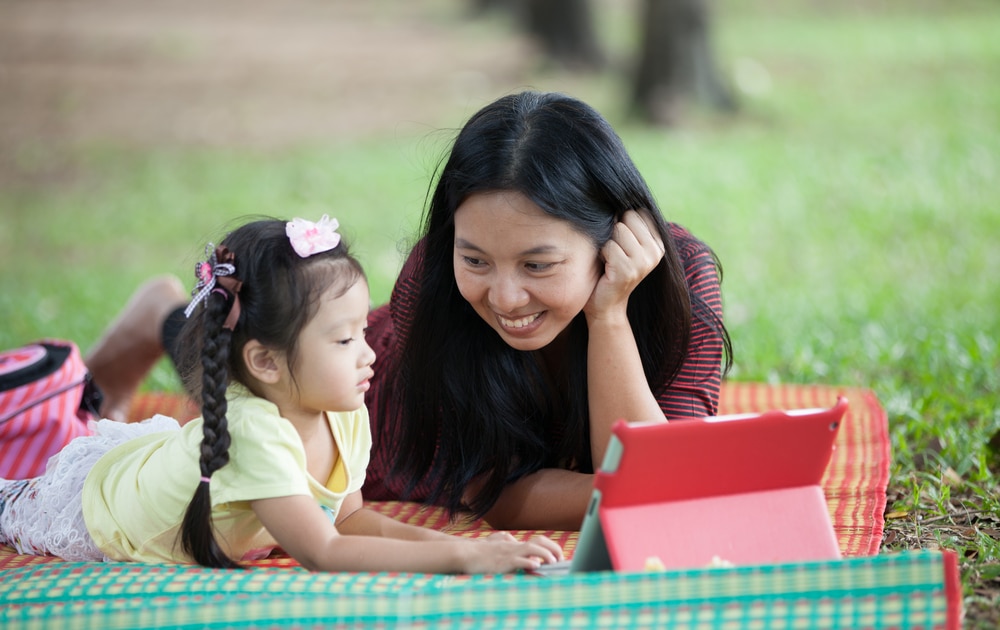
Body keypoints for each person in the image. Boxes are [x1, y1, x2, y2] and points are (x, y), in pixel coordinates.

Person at [0, 216, 562, 573]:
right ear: (265, 361)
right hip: (95, 510)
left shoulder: (343, 412)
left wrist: (466, 550)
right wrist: (463, 554)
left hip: (156, 471)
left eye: (363, 331)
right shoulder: (254, 431)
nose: (369, 353)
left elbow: (351, 523)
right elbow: (323, 551)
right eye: (344, 339)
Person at [362, 90, 733, 531]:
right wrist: (645, 487)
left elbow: (659, 478)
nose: (504, 298)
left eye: (537, 265)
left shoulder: (682, 279)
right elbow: (493, 492)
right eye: (475, 261)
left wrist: (609, 315)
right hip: (368, 431)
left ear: (612, 238)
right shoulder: (430, 283)